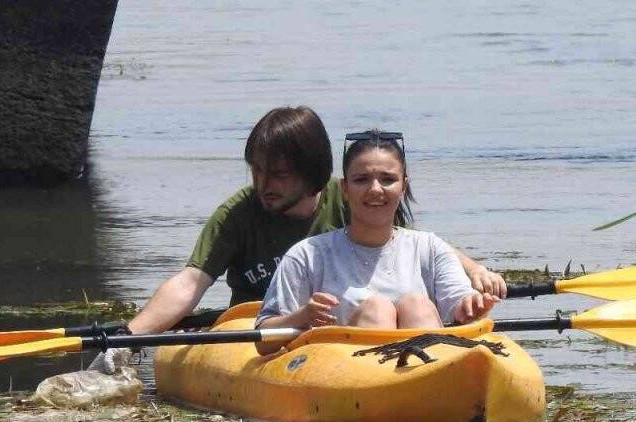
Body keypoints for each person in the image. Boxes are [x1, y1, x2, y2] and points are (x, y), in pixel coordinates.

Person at [122, 106, 506, 337]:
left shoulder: (356, 196)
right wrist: (129, 336)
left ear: (313, 175)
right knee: (377, 311)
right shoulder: (241, 213)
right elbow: (191, 281)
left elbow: (411, 244)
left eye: (278, 174)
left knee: (410, 305)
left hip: (361, 322)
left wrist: (473, 271)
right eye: (256, 171)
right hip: (274, 325)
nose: (263, 185)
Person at [255, 130, 498, 354]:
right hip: (348, 376)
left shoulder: (430, 248)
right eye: (361, 180)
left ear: (404, 185)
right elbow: (262, 341)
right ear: (344, 189)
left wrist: (471, 306)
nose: (375, 189)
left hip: (429, 370)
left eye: (387, 179)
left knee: (417, 306)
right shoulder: (306, 255)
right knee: (377, 311)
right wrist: (303, 316)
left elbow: (458, 302)